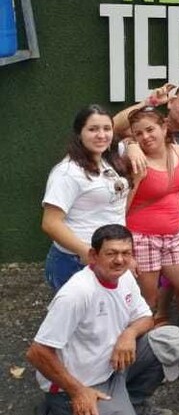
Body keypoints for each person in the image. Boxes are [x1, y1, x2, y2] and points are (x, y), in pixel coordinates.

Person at [27, 224, 179, 415]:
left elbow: (145, 318)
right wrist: (78, 392)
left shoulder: (125, 277)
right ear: (93, 255)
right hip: (80, 383)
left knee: (172, 340)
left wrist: (129, 334)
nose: (119, 260)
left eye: (126, 253)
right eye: (111, 253)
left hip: (112, 367)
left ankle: (134, 404)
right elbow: (37, 352)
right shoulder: (77, 294)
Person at [42, 106, 129, 291]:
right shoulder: (67, 172)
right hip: (77, 261)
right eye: (92, 129)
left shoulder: (108, 158)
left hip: (110, 258)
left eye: (107, 129)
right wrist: (87, 253)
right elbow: (50, 223)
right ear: (79, 134)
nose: (101, 135)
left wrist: (134, 146)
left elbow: (125, 122)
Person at [125, 107, 179, 309]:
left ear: (164, 127)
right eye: (138, 134)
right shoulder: (136, 160)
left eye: (150, 129)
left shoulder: (178, 151)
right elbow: (121, 207)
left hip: (173, 237)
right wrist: (137, 179)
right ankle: (145, 330)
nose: (145, 137)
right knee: (148, 302)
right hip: (142, 238)